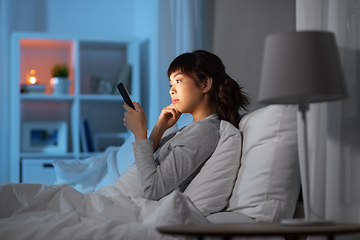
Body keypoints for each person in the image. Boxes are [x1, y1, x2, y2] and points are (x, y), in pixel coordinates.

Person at [123, 50, 249, 201]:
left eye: (178, 81)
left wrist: (140, 133)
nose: (171, 90)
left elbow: (152, 189)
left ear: (205, 84)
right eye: (171, 84)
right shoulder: (196, 128)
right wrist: (159, 127)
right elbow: (144, 168)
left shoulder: (203, 133)